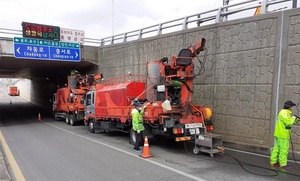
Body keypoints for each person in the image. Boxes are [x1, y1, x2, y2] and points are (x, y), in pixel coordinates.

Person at [270, 100, 299, 169]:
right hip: (283, 135)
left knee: (276, 149)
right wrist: (294, 118)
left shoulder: (284, 112)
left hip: (279, 133)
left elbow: (288, 122)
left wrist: (296, 120)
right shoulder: (284, 113)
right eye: (292, 106)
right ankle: (283, 164)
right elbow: (289, 122)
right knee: (283, 149)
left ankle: (273, 162)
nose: (292, 108)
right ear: (289, 107)